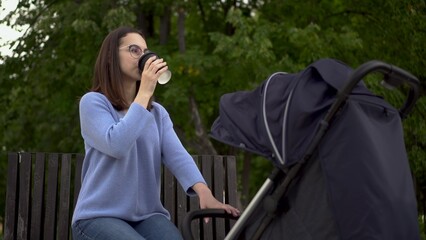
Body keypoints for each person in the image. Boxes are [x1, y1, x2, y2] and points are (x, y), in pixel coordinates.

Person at [71, 26, 240, 240]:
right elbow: (116, 144)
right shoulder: (93, 103)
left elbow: (177, 156)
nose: (143, 57)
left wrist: (204, 193)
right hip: (97, 217)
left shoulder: (157, 113)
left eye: (145, 51)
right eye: (134, 50)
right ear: (110, 58)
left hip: (147, 217)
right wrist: (145, 92)